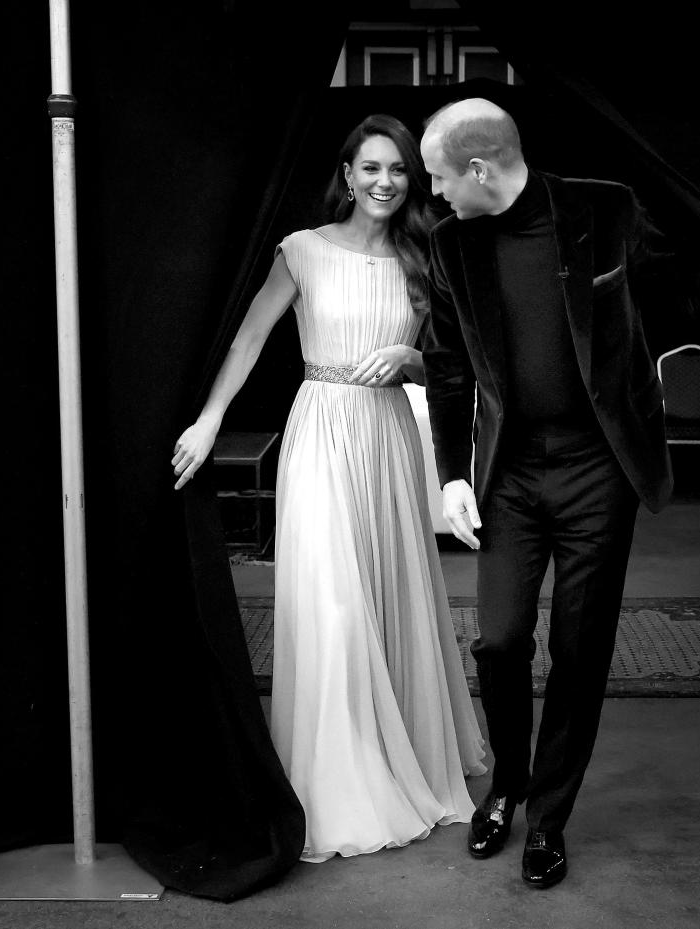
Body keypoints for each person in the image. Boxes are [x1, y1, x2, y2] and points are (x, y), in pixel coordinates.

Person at [419, 98, 700, 888]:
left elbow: (672, 275)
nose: (436, 192)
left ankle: (547, 818)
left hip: (600, 471)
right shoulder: (451, 244)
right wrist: (454, 471)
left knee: (580, 651)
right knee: (498, 639)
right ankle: (507, 787)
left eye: (440, 177)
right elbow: (449, 365)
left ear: (480, 169)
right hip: (513, 474)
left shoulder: (604, 207)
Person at [172, 114, 486, 863]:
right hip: (320, 432)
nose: (384, 181)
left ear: (413, 179)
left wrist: (409, 354)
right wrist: (211, 421)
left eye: (398, 170)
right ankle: (339, 782)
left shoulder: (425, 256)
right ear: (346, 175)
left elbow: (454, 362)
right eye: (370, 167)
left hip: (385, 438)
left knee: (385, 596)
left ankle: (398, 751)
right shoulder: (303, 250)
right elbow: (249, 337)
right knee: (334, 605)